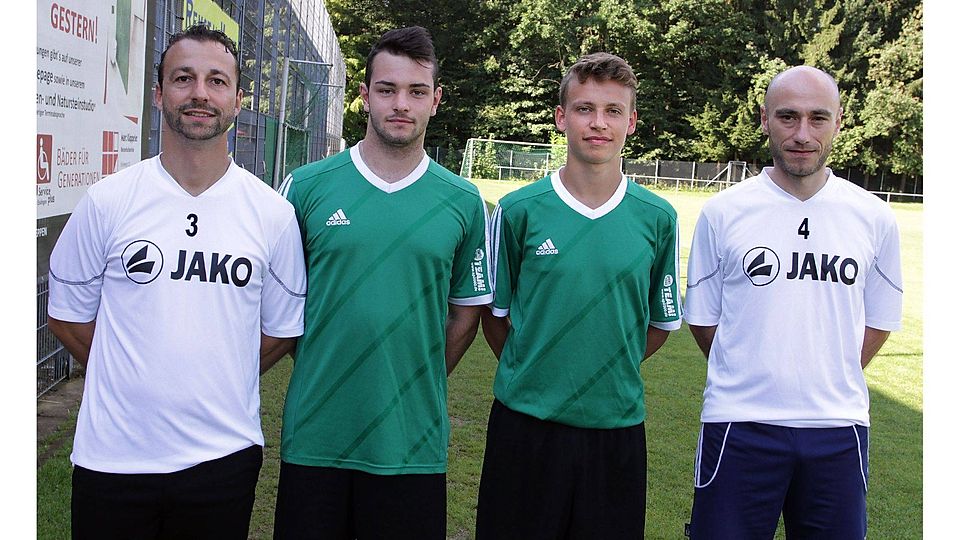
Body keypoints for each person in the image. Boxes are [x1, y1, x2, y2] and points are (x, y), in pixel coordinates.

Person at [47, 24, 307, 539]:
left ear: (237, 99)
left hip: (222, 457)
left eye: (216, 81)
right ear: (159, 93)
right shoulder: (108, 201)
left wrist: (214, 377)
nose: (200, 94)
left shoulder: (272, 215)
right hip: (112, 458)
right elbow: (67, 317)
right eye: (184, 78)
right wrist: (132, 378)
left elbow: (280, 331)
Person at [273, 26, 492, 539]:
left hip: (411, 442)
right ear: (364, 95)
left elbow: (467, 310)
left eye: (416, 92)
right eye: (387, 89)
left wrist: (417, 375)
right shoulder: (305, 187)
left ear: (435, 101)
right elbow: (277, 303)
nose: (401, 104)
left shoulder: (462, 201)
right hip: (316, 433)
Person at [683, 65, 903, 539]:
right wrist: (753, 366)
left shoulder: (874, 217)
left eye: (817, 118)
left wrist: (826, 369)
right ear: (764, 120)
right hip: (739, 425)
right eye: (788, 117)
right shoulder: (724, 212)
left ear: (839, 122)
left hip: (837, 429)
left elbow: (880, 320)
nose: (803, 134)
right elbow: (703, 321)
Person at [475, 52, 683, 539]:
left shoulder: (658, 217)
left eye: (613, 111)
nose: (598, 123)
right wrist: (540, 369)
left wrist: (602, 370)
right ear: (561, 117)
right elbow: (494, 316)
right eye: (585, 108)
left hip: (615, 427)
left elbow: (657, 325)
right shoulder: (518, 209)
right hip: (524, 424)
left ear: (631, 122)